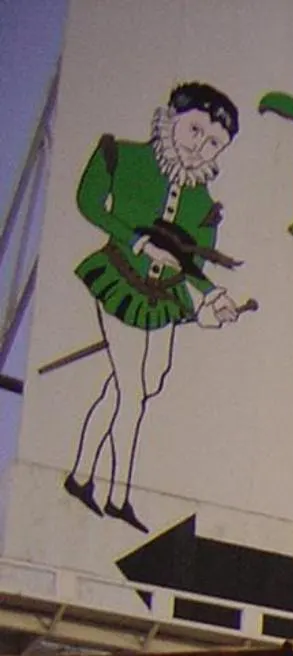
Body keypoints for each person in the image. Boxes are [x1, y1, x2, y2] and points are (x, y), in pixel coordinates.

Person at [65, 81, 244, 532]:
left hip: (164, 298)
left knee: (147, 383)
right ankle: (119, 493)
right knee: (130, 393)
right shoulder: (123, 156)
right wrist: (138, 240)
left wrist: (213, 297)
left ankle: (82, 473)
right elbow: (89, 202)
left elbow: (196, 262)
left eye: (213, 143)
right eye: (195, 131)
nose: (200, 147)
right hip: (120, 279)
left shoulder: (202, 201)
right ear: (172, 119)